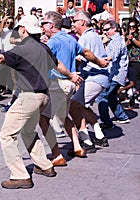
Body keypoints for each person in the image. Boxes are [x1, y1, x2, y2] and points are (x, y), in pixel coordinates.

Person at [0, 15, 81, 189]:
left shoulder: (22, 48)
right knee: (28, 131)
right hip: (44, 97)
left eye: (19, 29)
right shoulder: (43, 47)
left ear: (24, 29)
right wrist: (71, 75)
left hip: (28, 97)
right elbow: (57, 64)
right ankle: (44, 165)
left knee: (7, 135)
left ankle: (20, 175)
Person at [39, 11, 109, 166]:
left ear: (51, 25)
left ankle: (57, 155)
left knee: (43, 119)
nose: (41, 26)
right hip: (70, 85)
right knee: (64, 117)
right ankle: (78, 146)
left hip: (59, 84)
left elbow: (44, 63)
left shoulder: (53, 42)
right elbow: (86, 52)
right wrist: (99, 61)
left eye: (43, 23)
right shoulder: (70, 39)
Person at [70, 11, 111, 152]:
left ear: (82, 22)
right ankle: (99, 136)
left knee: (74, 105)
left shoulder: (85, 38)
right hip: (97, 77)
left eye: (74, 20)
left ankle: (87, 141)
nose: (72, 23)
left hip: (95, 76)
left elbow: (79, 56)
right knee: (83, 106)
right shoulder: (91, 35)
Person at [97, 20, 130, 129]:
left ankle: (107, 122)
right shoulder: (115, 40)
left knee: (102, 96)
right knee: (111, 96)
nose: (105, 32)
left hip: (115, 74)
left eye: (107, 29)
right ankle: (122, 117)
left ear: (114, 29)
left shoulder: (116, 40)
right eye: (103, 30)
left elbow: (112, 56)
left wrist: (99, 61)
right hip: (116, 73)